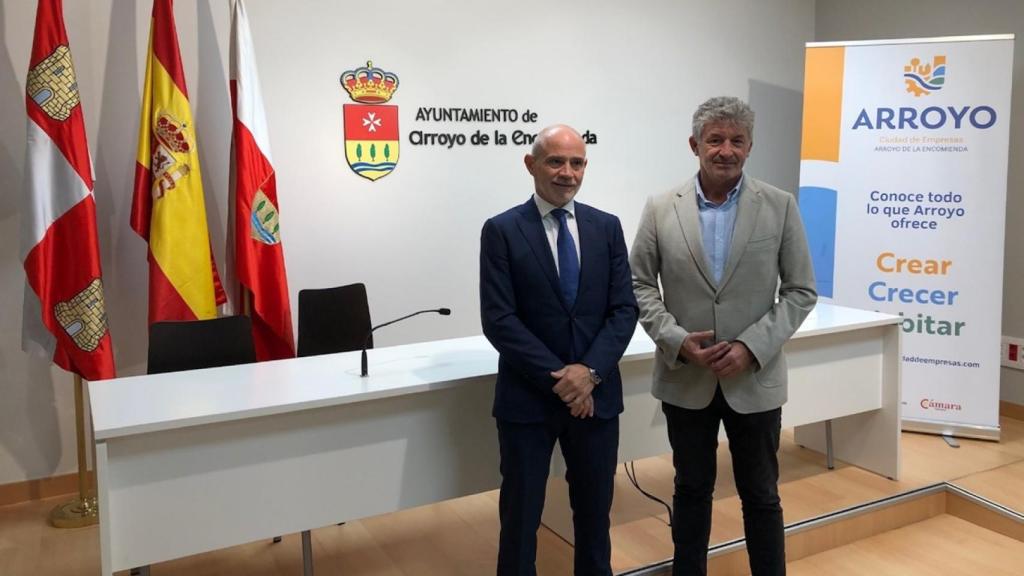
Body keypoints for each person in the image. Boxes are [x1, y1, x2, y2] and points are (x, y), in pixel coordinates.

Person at [629, 97, 817, 576]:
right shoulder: (658, 208)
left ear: (750, 146)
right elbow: (638, 285)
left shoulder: (779, 206)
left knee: (761, 494)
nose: (725, 150)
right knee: (691, 490)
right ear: (695, 145)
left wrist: (752, 347)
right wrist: (675, 339)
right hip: (685, 378)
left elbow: (800, 291)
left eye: (736, 140)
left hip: (754, 381)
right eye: (715, 140)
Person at [480, 124, 638, 575]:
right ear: (530, 165)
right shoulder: (502, 230)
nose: (567, 173)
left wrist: (589, 372)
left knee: (594, 517)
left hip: (597, 398)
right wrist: (564, 379)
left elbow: (623, 310)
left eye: (577, 162)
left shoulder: (606, 227)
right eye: (556, 161)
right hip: (528, 400)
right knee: (521, 517)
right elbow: (499, 319)